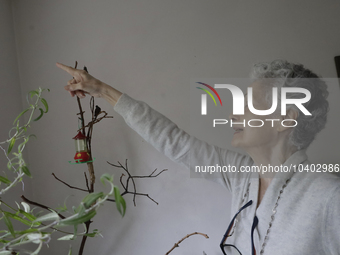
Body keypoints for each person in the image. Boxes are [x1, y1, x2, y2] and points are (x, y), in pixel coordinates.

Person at [56, 60, 340, 255]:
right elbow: (175, 142)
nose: (233, 114)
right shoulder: (242, 175)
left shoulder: (329, 195)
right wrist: (102, 90)